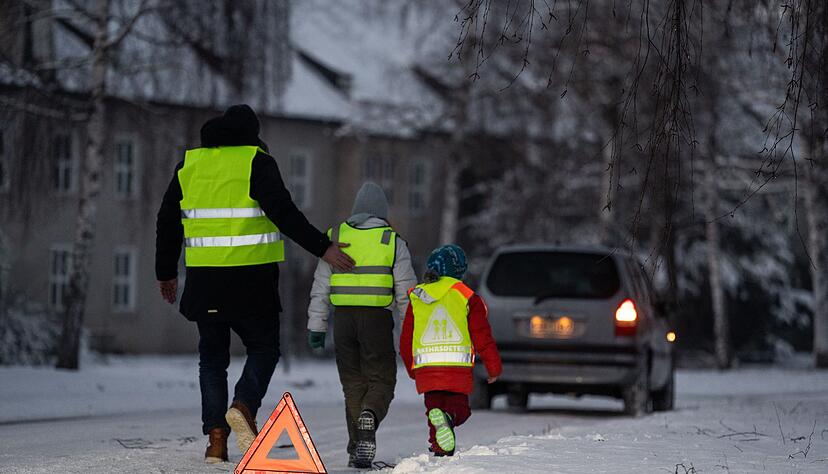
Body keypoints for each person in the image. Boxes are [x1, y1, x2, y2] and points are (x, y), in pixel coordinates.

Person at [155, 104, 354, 464]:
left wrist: (165, 272)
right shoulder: (257, 162)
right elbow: (284, 213)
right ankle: (244, 406)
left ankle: (216, 440)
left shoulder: (190, 166)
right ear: (251, 135)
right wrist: (322, 247)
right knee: (264, 348)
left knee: (212, 360)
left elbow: (167, 221)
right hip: (252, 281)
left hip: (205, 281)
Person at [306, 182, 416, 468]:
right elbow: (406, 295)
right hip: (376, 320)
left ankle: (358, 445)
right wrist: (409, 334)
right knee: (382, 380)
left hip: (343, 320)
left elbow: (321, 286)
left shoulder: (336, 236)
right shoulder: (392, 241)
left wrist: (317, 325)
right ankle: (371, 414)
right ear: (383, 211)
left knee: (353, 383)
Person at [399, 244, 502, 457]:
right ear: (459, 271)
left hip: (427, 368)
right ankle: (450, 418)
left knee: (433, 410)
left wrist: (411, 367)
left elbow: (406, 338)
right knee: (460, 410)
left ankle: (439, 445)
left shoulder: (417, 296)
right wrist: (493, 367)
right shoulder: (466, 296)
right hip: (457, 368)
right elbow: (482, 335)